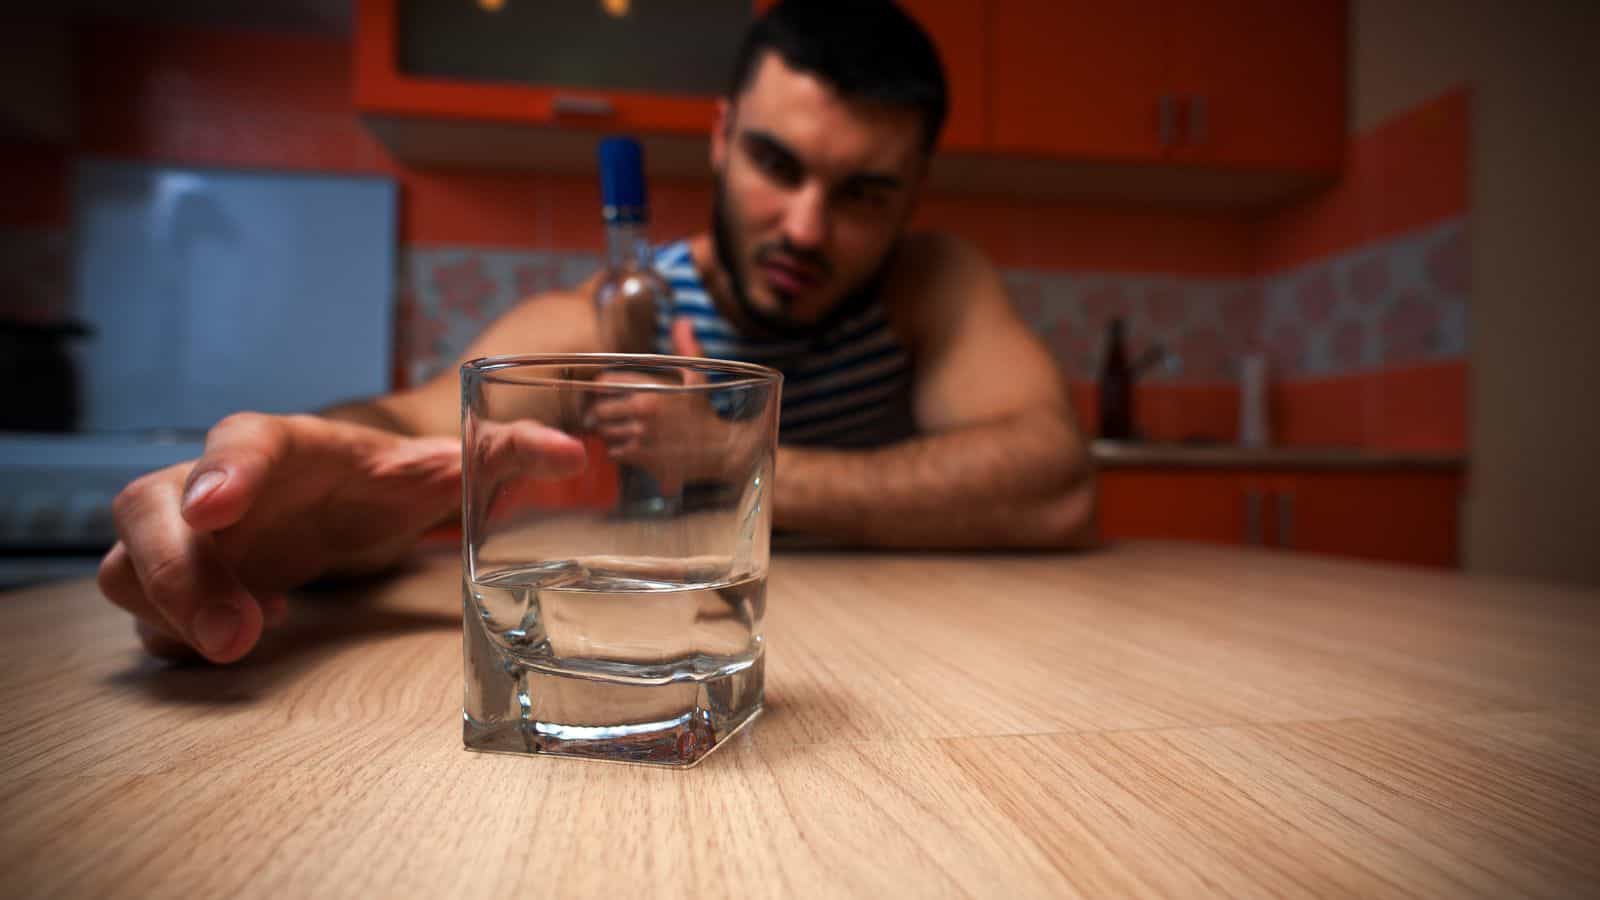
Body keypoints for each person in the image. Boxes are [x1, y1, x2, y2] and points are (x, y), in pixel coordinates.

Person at [98, 0, 1097, 664]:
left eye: (864, 193)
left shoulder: (930, 284)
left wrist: (737, 455)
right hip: (661, 663)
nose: (804, 225)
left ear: (916, 192)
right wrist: (290, 493)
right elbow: (402, 435)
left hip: (923, 673)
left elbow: (1053, 483)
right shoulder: (621, 318)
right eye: (775, 163)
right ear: (718, 136)